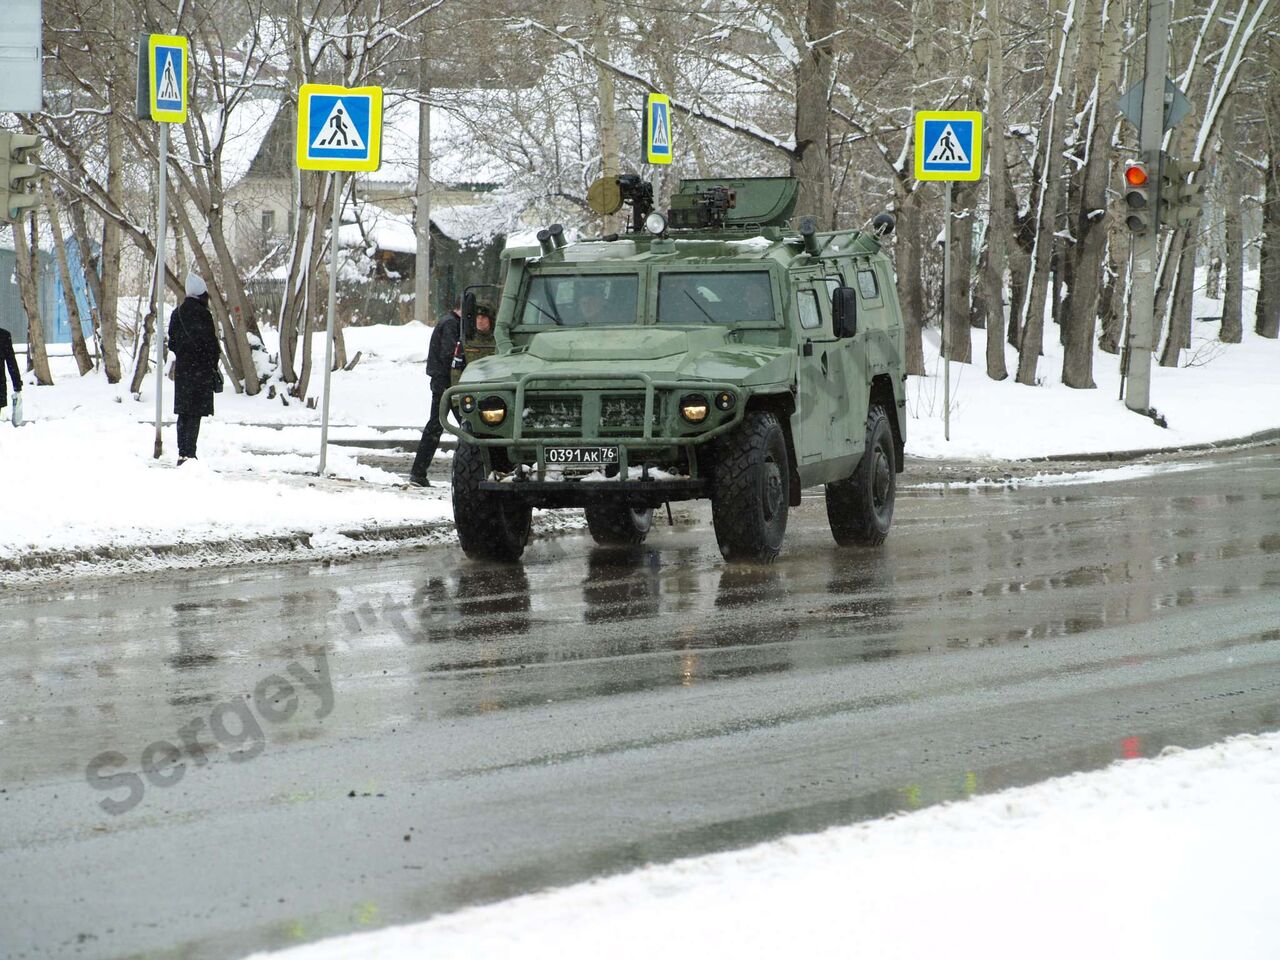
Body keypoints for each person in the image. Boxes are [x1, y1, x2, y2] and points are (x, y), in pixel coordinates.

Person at [168, 273, 221, 464]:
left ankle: (183, 451)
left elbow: (172, 343)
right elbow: (211, 344)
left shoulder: (177, 313)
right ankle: (190, 452)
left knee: (183, 413)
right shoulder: (204, 314)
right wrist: (212, 363)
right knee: (195, 413)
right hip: (201, 371)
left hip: (183, 371)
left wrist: (184, 353)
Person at [409, 301, 463, 487]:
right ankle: (418, 473)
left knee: (437, 426)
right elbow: (449, 354)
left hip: (442, 381)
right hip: (446, 382)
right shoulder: (451, 324)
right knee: (465, 426)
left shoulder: (448, 322)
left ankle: (418, 472)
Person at [451, 304, 496, 386]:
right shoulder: (467, 341)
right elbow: (456, 370)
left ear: (490, 320)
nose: (480, 321)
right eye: (477, 318)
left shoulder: (499, 340)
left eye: (483, 318)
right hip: (471, 387)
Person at [0, 325, 21, 418]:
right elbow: (11, 362)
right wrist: (17, 385)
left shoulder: (4, 336)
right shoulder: (4, 336)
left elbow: (11, 362)